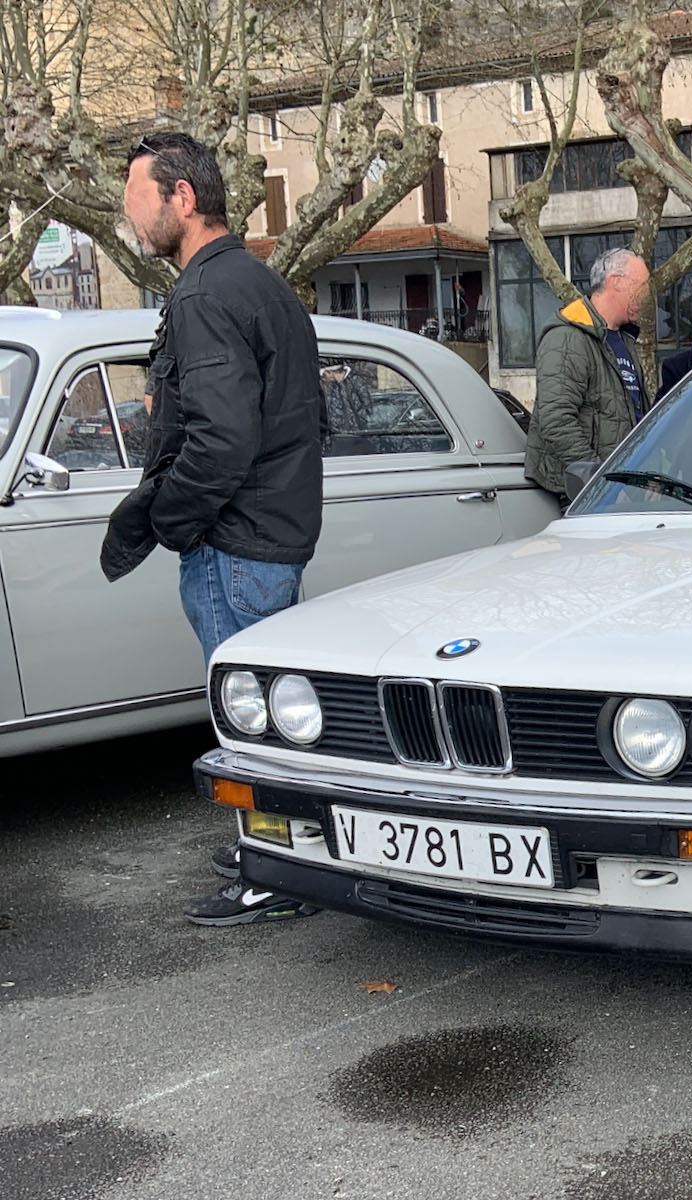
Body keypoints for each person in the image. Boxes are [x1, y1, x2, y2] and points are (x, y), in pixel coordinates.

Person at [102, 131, 325, 925]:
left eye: (137, 200)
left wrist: (174, 521)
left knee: (253, 722)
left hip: (235, 543)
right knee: (275, 714)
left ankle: (275, 873)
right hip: (270, 534)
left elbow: (222, 438)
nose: (131, 219)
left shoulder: (202, 295)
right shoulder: (260, 283)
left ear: (182, 198)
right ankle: (281, 853)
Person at [524, 247, 653, 502]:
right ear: (616, 283)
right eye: (642, 287)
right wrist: (600, 484)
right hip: (583, 495)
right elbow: (556, 420)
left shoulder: (624, 340)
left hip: (621, 487)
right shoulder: (567, 337)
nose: (646, 296)